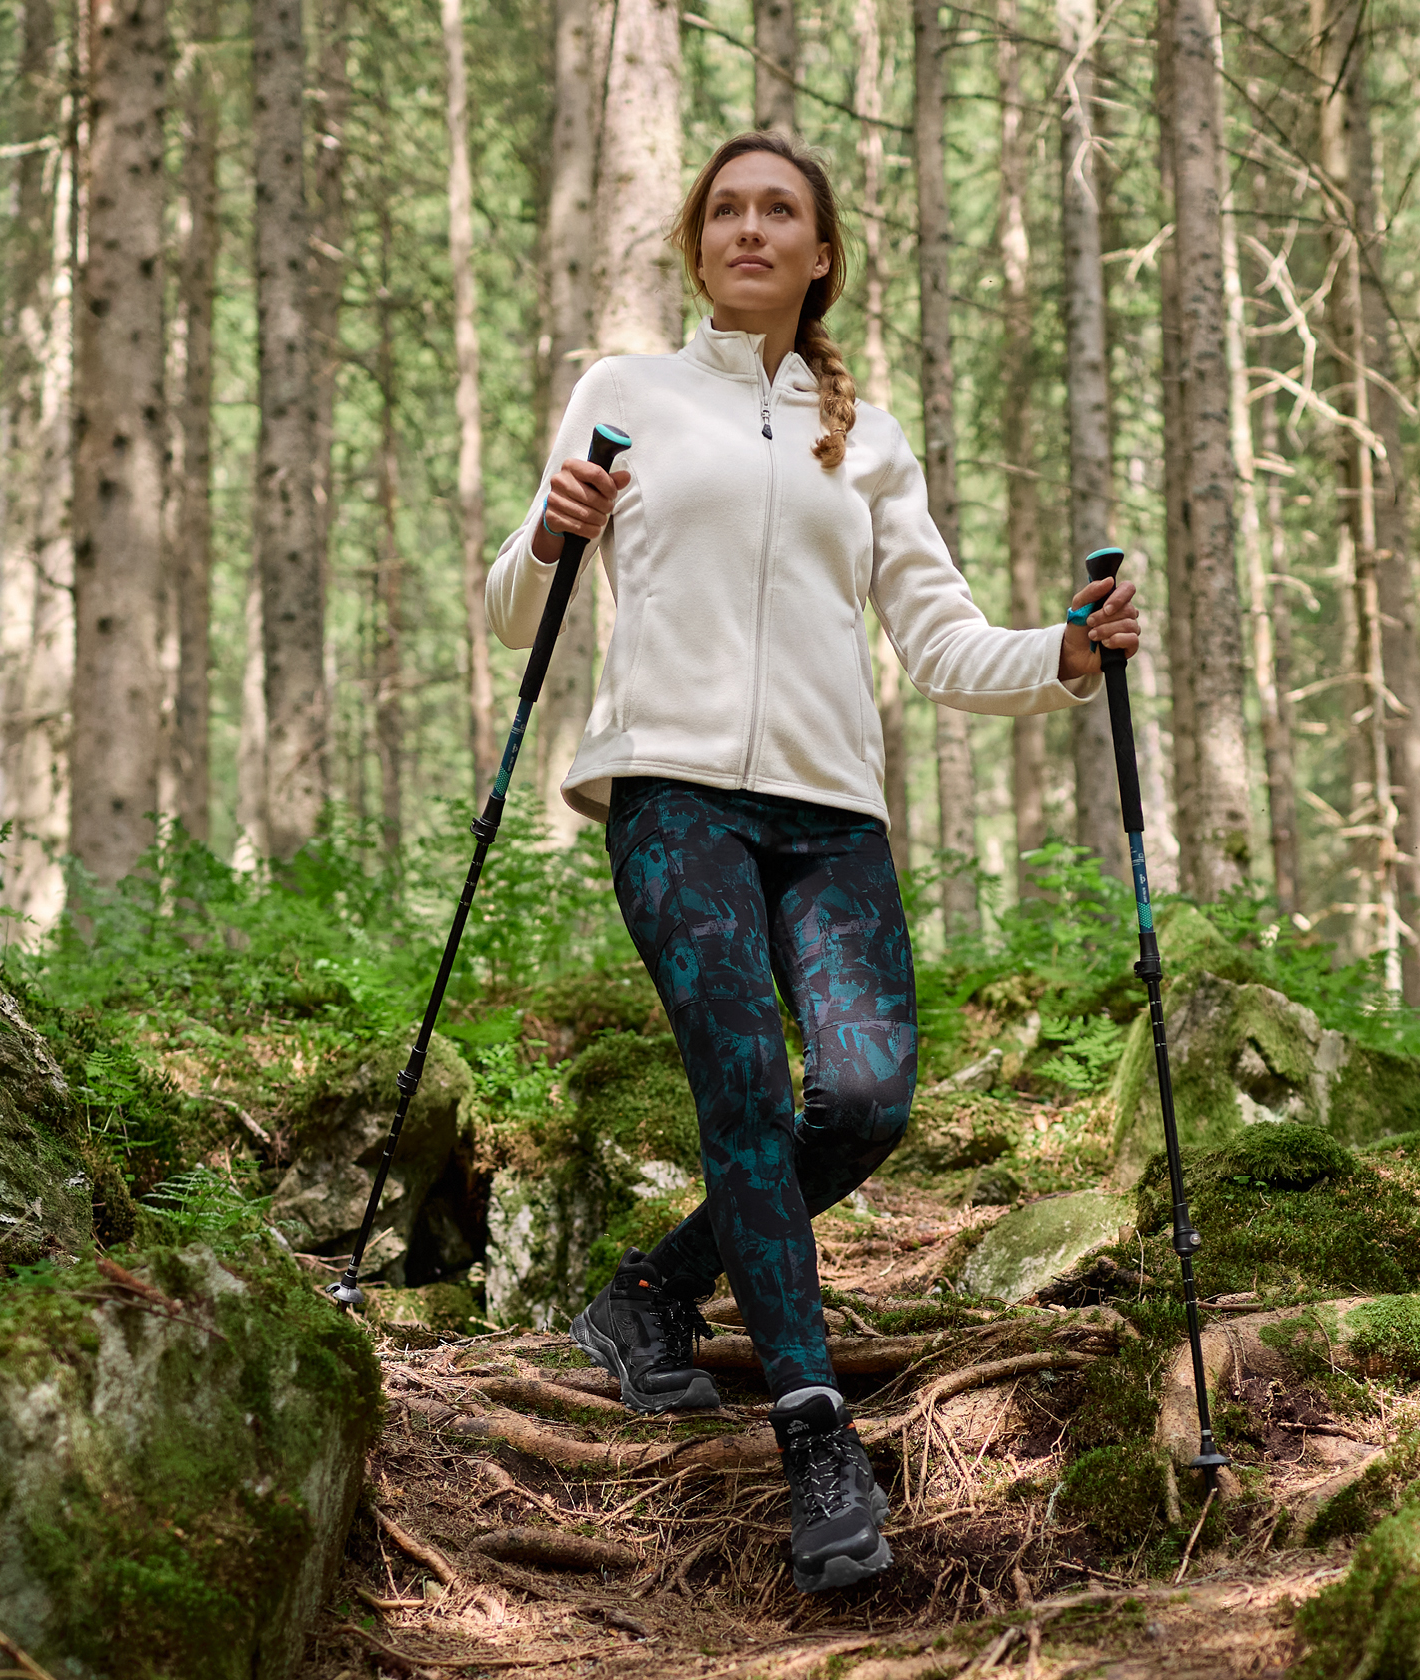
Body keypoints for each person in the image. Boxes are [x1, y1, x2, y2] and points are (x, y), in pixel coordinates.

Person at [484, 131, 1141, 1596]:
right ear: (697, 243)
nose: (751, 228)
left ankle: (653, 1295)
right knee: (736, 1082)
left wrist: (1069, 653)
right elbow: (509, 600)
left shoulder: (871, 436)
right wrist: (549, 530)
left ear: (822, 252)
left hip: (830, 815)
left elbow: (945, 640)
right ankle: (814, 1437)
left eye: (781, 210)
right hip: (671, 800)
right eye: (726, 210)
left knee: (862, 1097)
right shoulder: (627, 393)